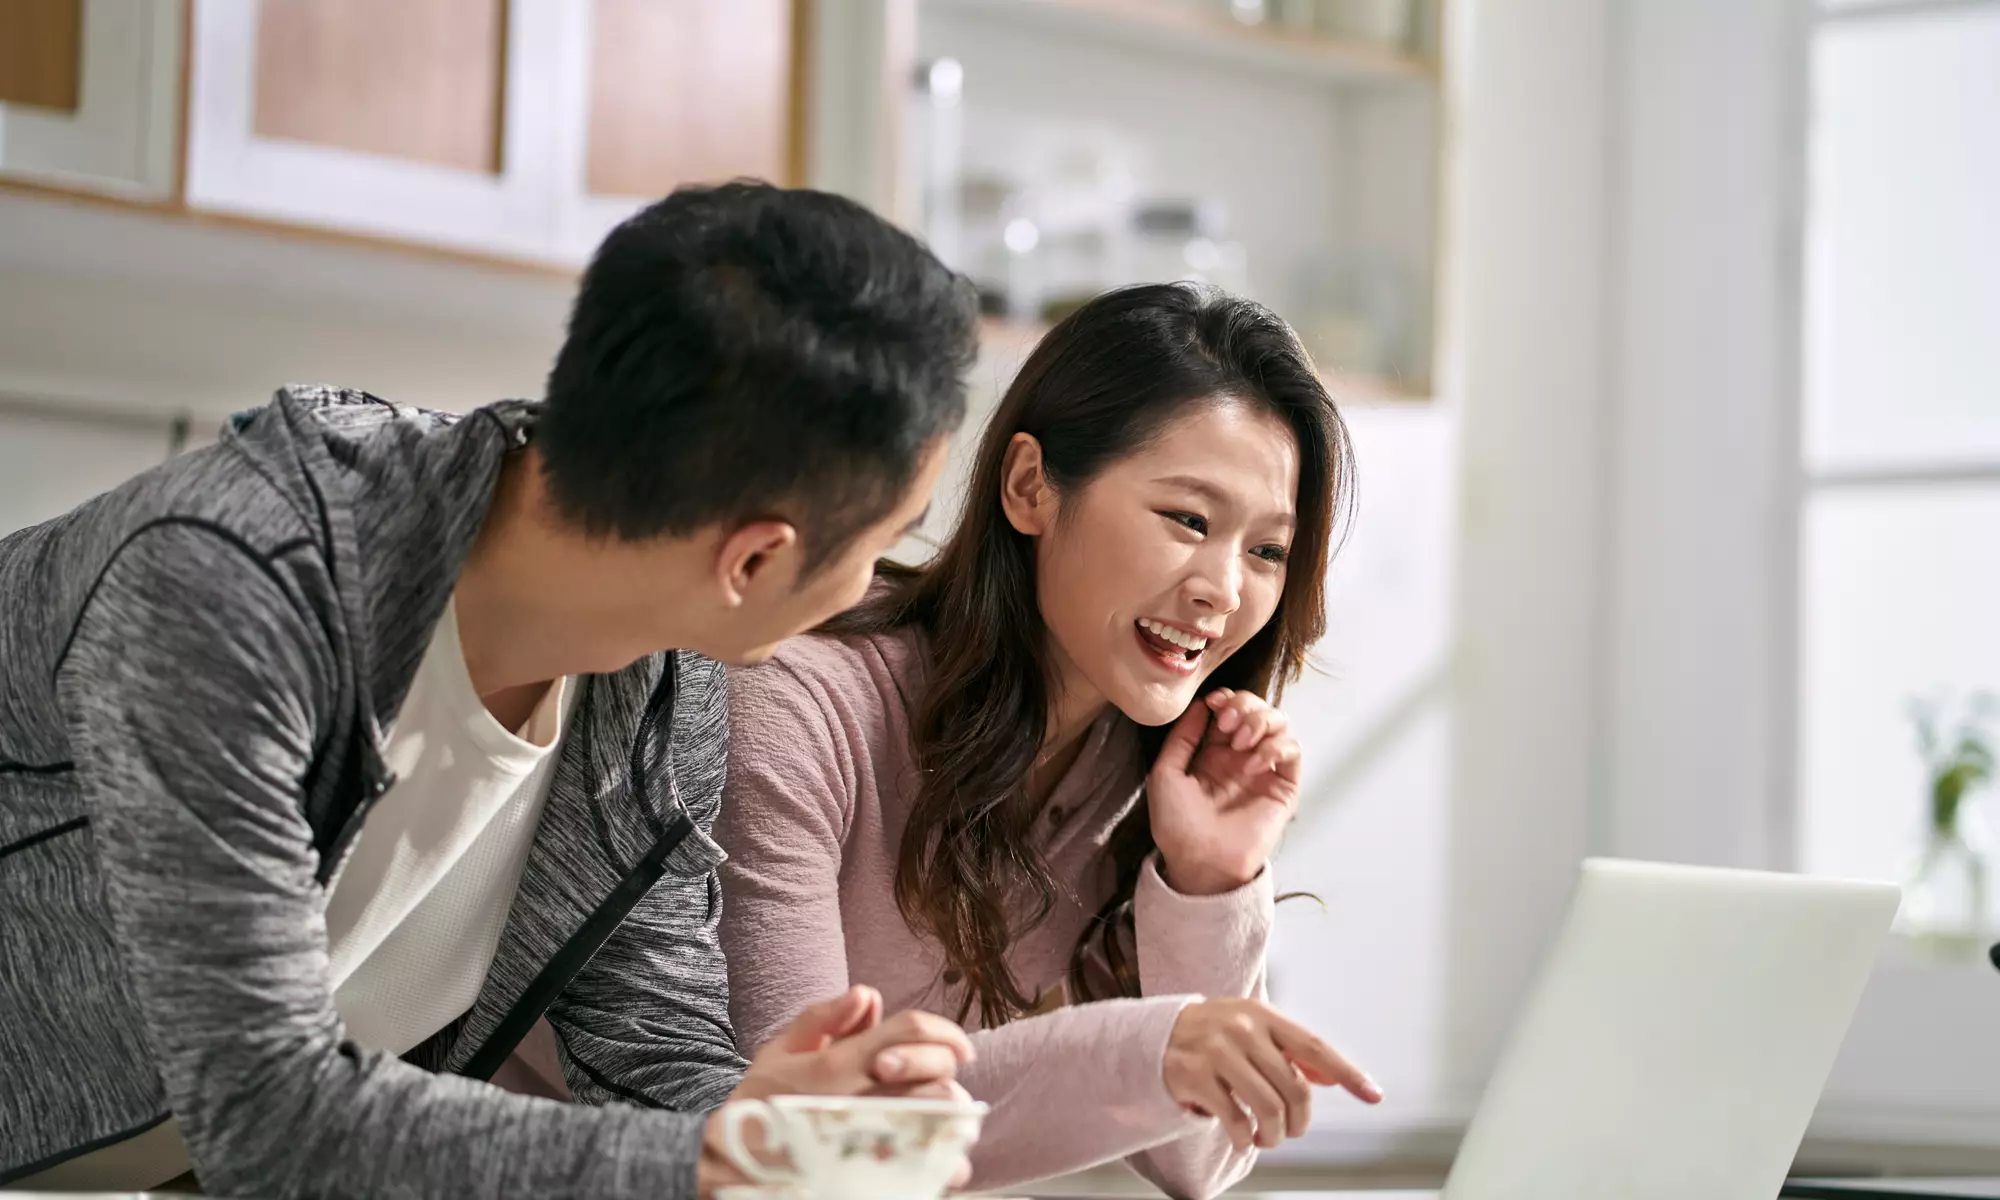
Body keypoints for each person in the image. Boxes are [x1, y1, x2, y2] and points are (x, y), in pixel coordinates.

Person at [0, 182, 982, 1199]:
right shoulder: (229, 579)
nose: (869, 587)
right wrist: (736, 1159)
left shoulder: (660, 688)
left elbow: (649, 1052)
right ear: (754, 560)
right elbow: (268, 1114)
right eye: (883, 542)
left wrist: (769, 1118)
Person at [717, 282, 1382, 1200]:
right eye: (1188, 520)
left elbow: (1202, 1159)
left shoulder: (1133, 764)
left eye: (1267, 551)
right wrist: (1158, 1050)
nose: (1224, 590)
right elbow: (810, 1142)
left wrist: (1208, 881)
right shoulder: (800, 709)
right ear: (1030, 486)